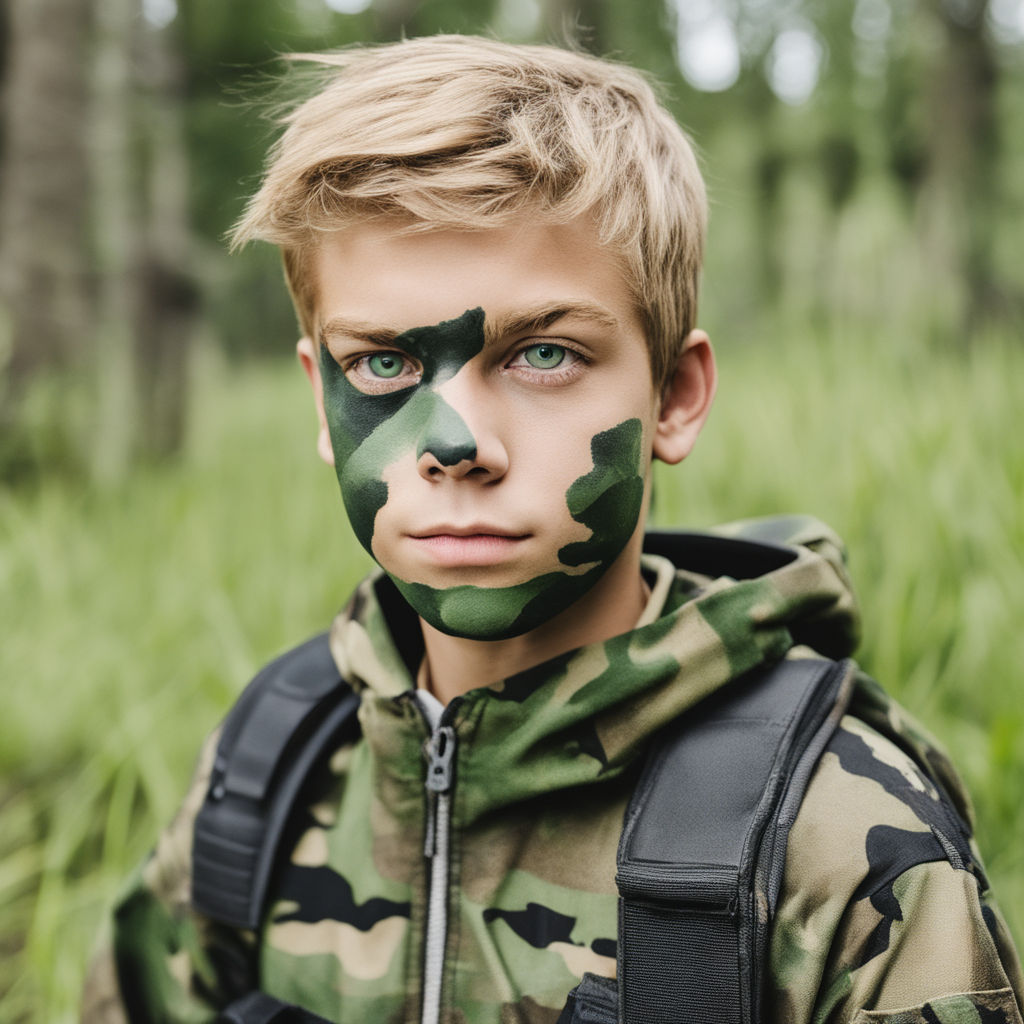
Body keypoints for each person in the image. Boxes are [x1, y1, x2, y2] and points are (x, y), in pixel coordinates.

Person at [82, 35, 1023, 1024]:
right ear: (321, 401)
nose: (457, 445)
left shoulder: (832, 840)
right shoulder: (272, 771)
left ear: (674, 395)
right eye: (385, 365)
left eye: (542, 353)